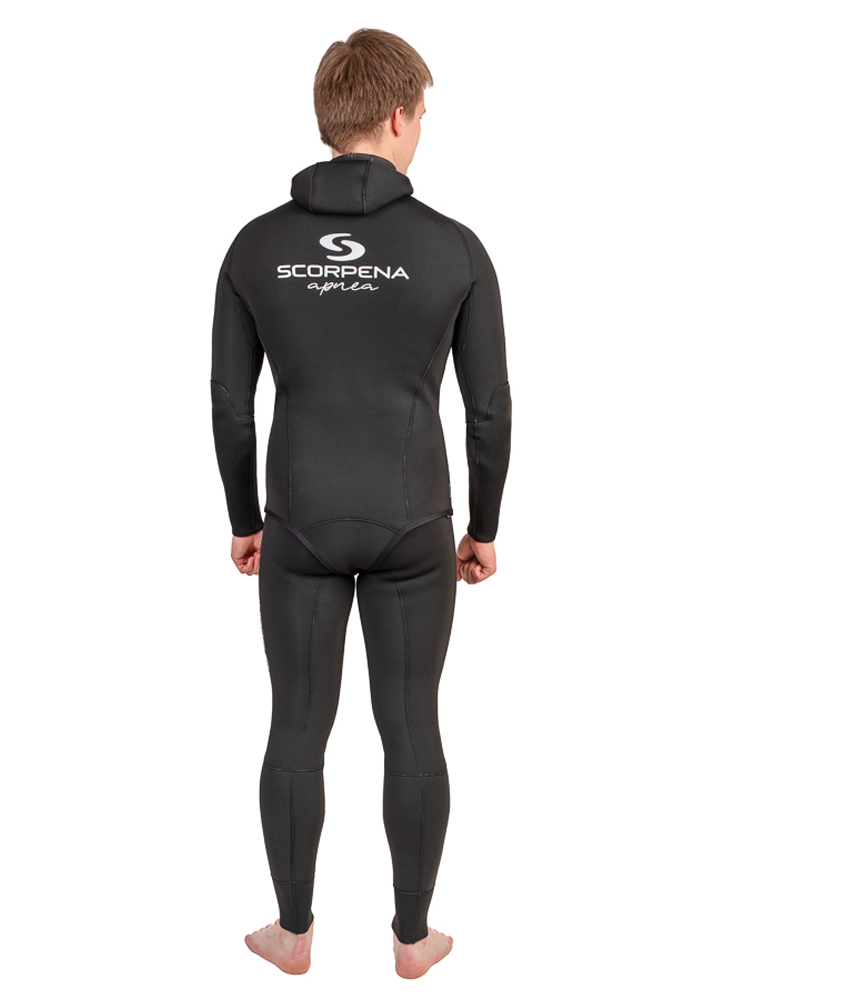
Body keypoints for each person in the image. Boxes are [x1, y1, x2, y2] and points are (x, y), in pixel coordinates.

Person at [210, 28, 511, 979]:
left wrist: (245, 519)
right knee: (411, 725)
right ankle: (413, 941)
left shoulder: (257, 247)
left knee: (296, 726)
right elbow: (490, 406)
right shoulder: (453, 248)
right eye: (423, 114)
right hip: (415, 522)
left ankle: (292, 934)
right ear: (397, 115)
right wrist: (484, 527)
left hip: (298, 520)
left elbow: (229, 403)